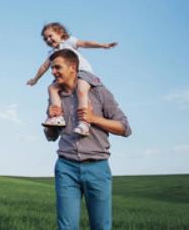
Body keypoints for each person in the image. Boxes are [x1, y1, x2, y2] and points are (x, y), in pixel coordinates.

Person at [43, 49, 131, 230]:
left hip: (97, 167)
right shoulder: (55, 97)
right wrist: (50, 123)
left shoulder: (99, 92)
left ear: (72, 67)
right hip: (66, 167)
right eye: (52, 68)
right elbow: (51, 137)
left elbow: (125, 128)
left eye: (57, 67)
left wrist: (94, 118)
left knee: (101, 226)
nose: (53, 72)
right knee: (66, 227)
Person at [27, 22, 117, 136]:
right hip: (66, 77)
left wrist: (102, 45)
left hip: (83, 72)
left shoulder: (69, 42)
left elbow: (85, 43)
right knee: (52, 88)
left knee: (81, 89)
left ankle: (84, 123)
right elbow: (44, 67)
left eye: (50, 36)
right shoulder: (53, 54)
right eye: (45, 39)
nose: (48, 40)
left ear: (60, 33)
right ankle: (58, 117)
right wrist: (35, 79)